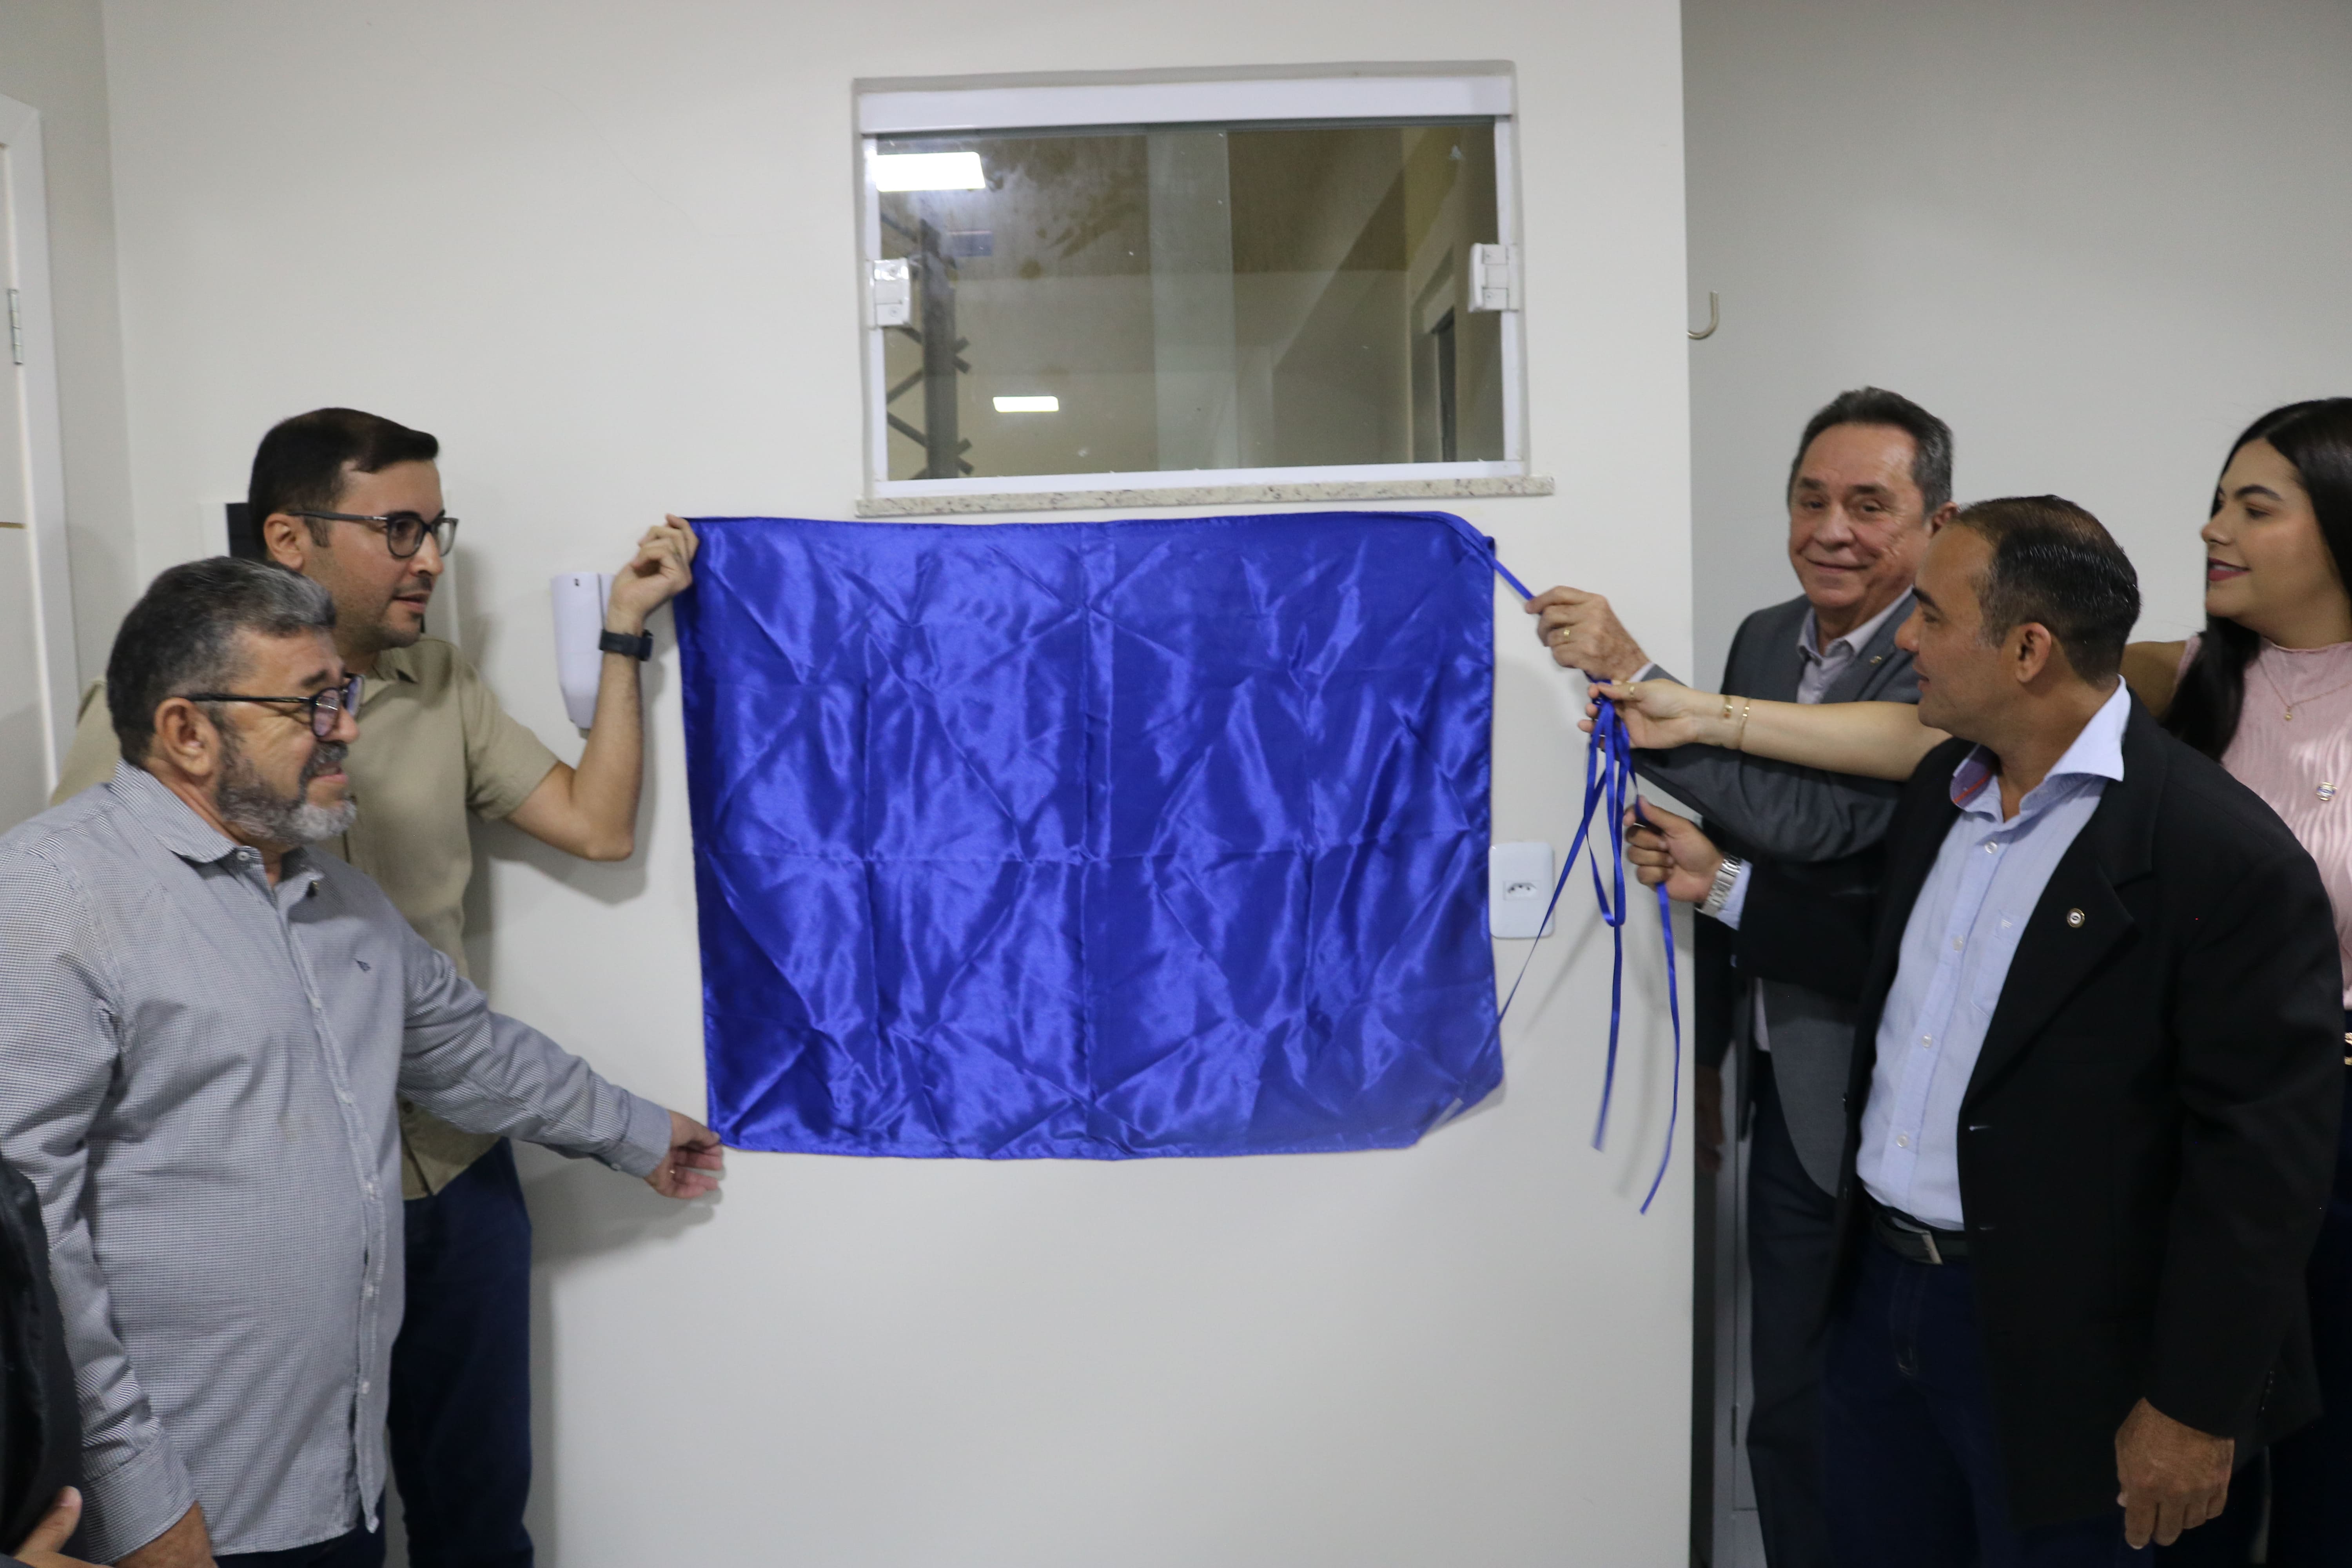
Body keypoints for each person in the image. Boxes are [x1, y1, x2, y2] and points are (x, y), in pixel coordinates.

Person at [1606, 403, 2352, 1565]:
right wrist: (1726, 887)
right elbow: (1900, 959)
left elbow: (2255, 1166)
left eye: (1934, 617)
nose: (1906, 640)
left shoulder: (2221, 857)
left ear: (2027, 652)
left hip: (2065, 1342)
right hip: (1885, 1307)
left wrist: (2193, 1406)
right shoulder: (1948, 787)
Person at [49, 409, 696, 1568]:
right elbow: (81, 961)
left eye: (436, 529)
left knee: (460, 1523)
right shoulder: (129, 755)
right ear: (289, 536)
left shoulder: (432, 701)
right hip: (261, 1212)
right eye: (398, 528)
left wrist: (621, 635)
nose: (429, 558)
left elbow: (579, 857)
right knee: (276, 1518)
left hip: (448, 1169)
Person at [1526, 386, 1955, 1568]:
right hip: (1784, 1079)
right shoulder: (1768, 638)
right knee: (1789, 1402)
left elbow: (1818, 827)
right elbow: (1732, 833)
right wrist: (1714, 1054)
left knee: (1888, 1420)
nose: (1832, 531)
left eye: (1869, 505)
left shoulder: (1937, 658)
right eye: (1811, 501)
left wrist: (1642, 680)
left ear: (1936, 522)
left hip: (1895, 1089)